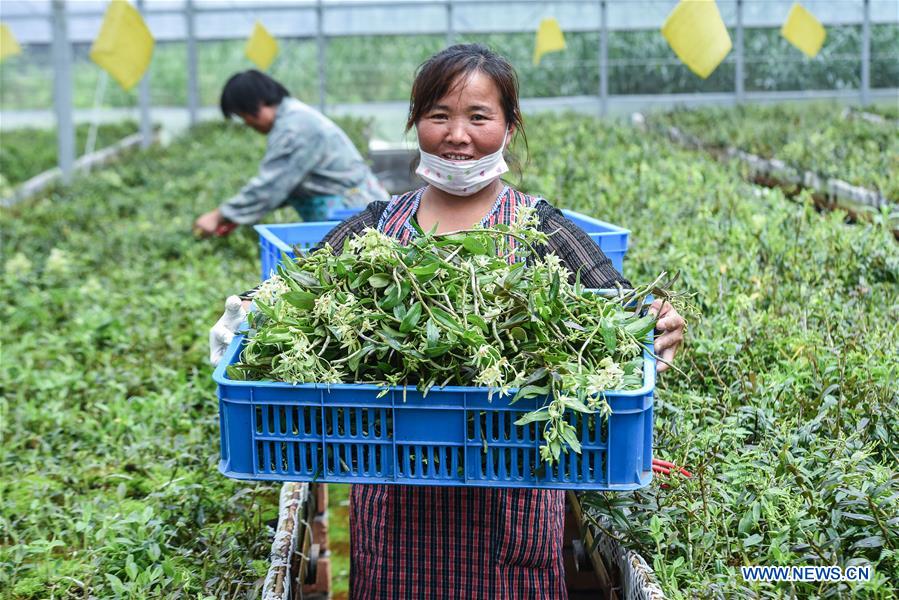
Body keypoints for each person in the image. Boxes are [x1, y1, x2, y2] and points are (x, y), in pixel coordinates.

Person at [210, 45, 685, 598]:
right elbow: (299, 284)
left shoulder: (537, 226)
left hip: (510, 497)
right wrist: (245, 312)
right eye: (439, 116)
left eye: (479, 117)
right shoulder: (381, 225)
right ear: (416, 124)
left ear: (510, 126)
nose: (457, 135)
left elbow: (617, 303)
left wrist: (655, 319)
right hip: (395, 497)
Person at [193, 70, 389, 237]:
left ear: (255, 105)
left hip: (355, 213)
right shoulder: (292, 119)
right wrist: (237, 216)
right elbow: (285, 186)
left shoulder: (294, 129)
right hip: (348, 211)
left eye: (243, 116)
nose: (247, 124)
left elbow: (271, 185)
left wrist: (218, 215)